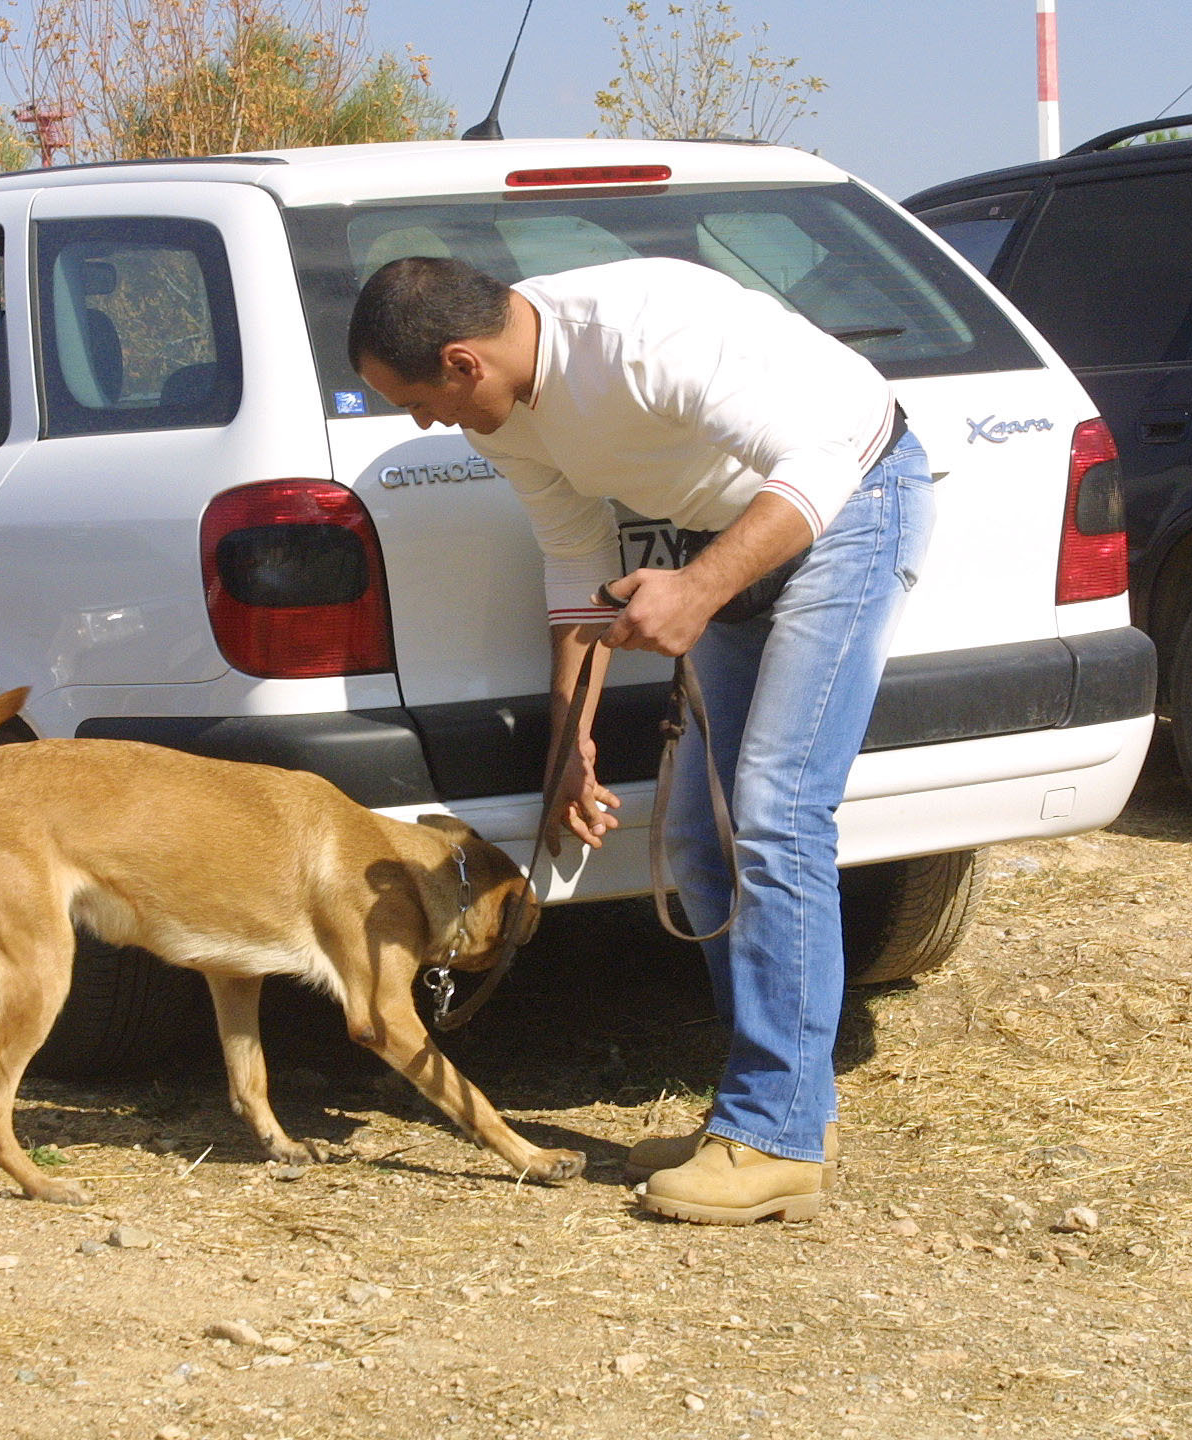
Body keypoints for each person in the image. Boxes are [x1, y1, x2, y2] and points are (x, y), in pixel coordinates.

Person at [347, 254, 936, 1226]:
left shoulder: (639, 337)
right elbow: (578, 561)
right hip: (739, 536)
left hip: (855, 508)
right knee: (700, 838)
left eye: (417, 401)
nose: (423, 425)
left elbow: (825, 464)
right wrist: (568, 746)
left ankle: (772, 1136)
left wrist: (699, 590)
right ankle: (790, 1112)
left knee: (775, 817)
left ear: (461, 362)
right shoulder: (507, 415)